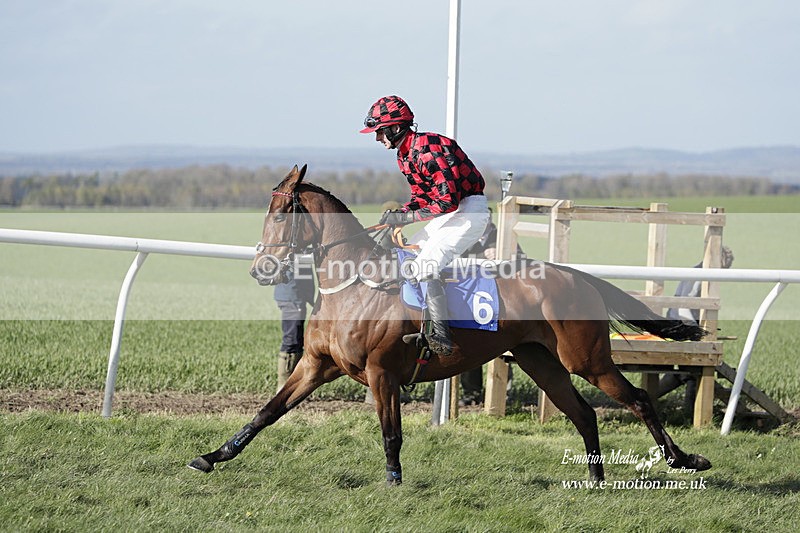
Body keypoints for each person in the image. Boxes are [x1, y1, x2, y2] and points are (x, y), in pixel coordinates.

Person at [360, 95, 489, 356]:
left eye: (379, 132)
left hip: (468, 212)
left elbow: (448, 201)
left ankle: (441, 335)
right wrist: (401, 212)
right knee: (410, 256)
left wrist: (407, 218)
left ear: (396, 128)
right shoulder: (404, 156)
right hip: (449, 213)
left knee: (426, 264)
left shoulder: (430, 148)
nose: (377, 138)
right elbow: (422, 198)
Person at [661, 246, 734, 411]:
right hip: (680, 323)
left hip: (683, 322)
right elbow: (684, 305)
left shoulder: (699, 272)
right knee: (695, 369)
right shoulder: (698, 275)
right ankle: (689, 411)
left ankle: (681, 408)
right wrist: (695, 330)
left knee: (689, 371)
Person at [272, 260, 315, 393]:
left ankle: (294, 384)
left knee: (297, 339)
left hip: (297, 295)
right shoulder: (290, 244)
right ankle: (284, 387)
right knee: (292, 339)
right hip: (291, 296)